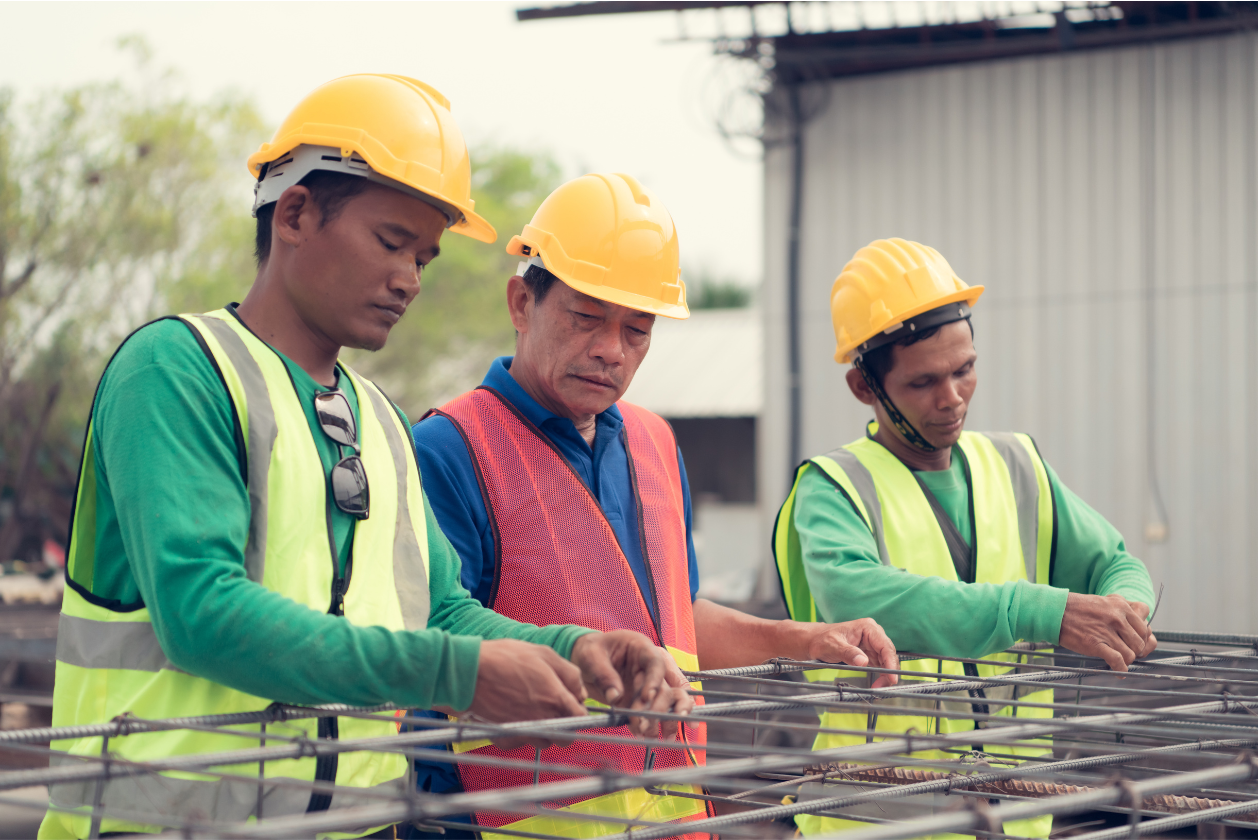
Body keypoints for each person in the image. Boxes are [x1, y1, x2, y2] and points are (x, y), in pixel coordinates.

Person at [39, 77, 689, 840]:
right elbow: (202, 614)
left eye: (425, 256)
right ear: (296, 214)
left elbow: (440, 611)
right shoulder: (178, 372)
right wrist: (458, 675)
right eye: (391, 243)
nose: (410, 278)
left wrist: (574, 648)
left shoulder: (378, 419)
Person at [411, 173, 901, 839]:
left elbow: (678, 620)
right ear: (521, 302)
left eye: (637, 330)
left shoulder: (653, 442)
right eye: (586, 317)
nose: (611, 349)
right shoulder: (449, 448)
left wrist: (803, 639)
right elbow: (431, 639)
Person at [773, 237, 1158, 837]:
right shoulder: (833, 489)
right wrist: (1041, 610)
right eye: (924, 382)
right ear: (864, 388)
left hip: (1014, 816)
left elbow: (1113, 562)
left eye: (965, 369)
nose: (952, 399)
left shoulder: (1017, 464)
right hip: (876, 822)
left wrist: (1126, 608)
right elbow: (863, 601)